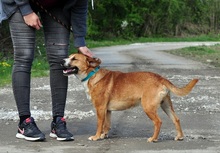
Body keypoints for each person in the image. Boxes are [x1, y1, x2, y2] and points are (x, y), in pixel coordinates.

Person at [1, 0, 93, 141]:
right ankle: (24, 123)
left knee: (60, 58)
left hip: (56, 5)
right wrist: (26, 11)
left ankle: (58, 121)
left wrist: (80, 40)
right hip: (20, 3)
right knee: (24, 56)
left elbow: (80, 4)